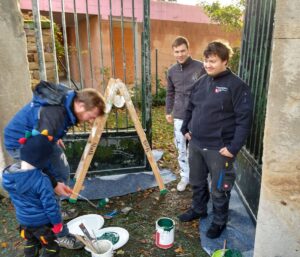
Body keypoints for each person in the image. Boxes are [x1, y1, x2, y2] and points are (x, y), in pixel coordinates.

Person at [3, 80, 106, 248]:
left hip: (39, 136)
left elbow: (43, 126)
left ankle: (57, 208)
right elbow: (36, 159)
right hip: (21, 143)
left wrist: (53, 137)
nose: (91, 120)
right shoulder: (53, 117)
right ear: (80, 105)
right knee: (44, 185)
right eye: (92, 115)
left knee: (62, 169)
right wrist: (53, 183)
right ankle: (58, 233)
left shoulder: (67, 99)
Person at [178, 41, 253, 239]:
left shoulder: (237, 86)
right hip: (196, 145)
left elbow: (244, 121)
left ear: (225, 61)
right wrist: (185, 128)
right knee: (196, 182)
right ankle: (199, 209)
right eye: (206, 60)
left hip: (219, 150)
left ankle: (219, 221)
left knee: (220, 189)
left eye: (213, 61)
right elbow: (190, 107)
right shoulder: (201, 82)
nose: (208, 65)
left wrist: (233, 148)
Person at [2, 134, 69, 257]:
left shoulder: (8, 176)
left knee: (31, 242)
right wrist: (57, 224)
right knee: (51, 248)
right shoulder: (42, 180)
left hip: (24, 222)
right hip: (42, 224)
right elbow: (50, 206)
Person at [165, 36, 205, 192]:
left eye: (182, 51)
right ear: (173, 52)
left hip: (198, 115)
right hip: (180, 115)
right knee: (181, 148)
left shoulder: (201, 67)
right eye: (176, 52)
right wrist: (169, 111)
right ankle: (185, 176)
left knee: (196, 147)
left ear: (189, 50)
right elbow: (170, 92)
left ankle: (198, 176)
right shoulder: (171, 71)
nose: (180, 54)